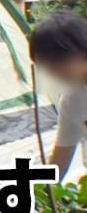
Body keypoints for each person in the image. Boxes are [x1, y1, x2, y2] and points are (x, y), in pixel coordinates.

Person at [29, 10, 87, 180]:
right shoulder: (72, 99)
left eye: (58, 60)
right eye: (45, 64)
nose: (53, 70)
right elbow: (61, 157)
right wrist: (44, 189)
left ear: (83, 50)